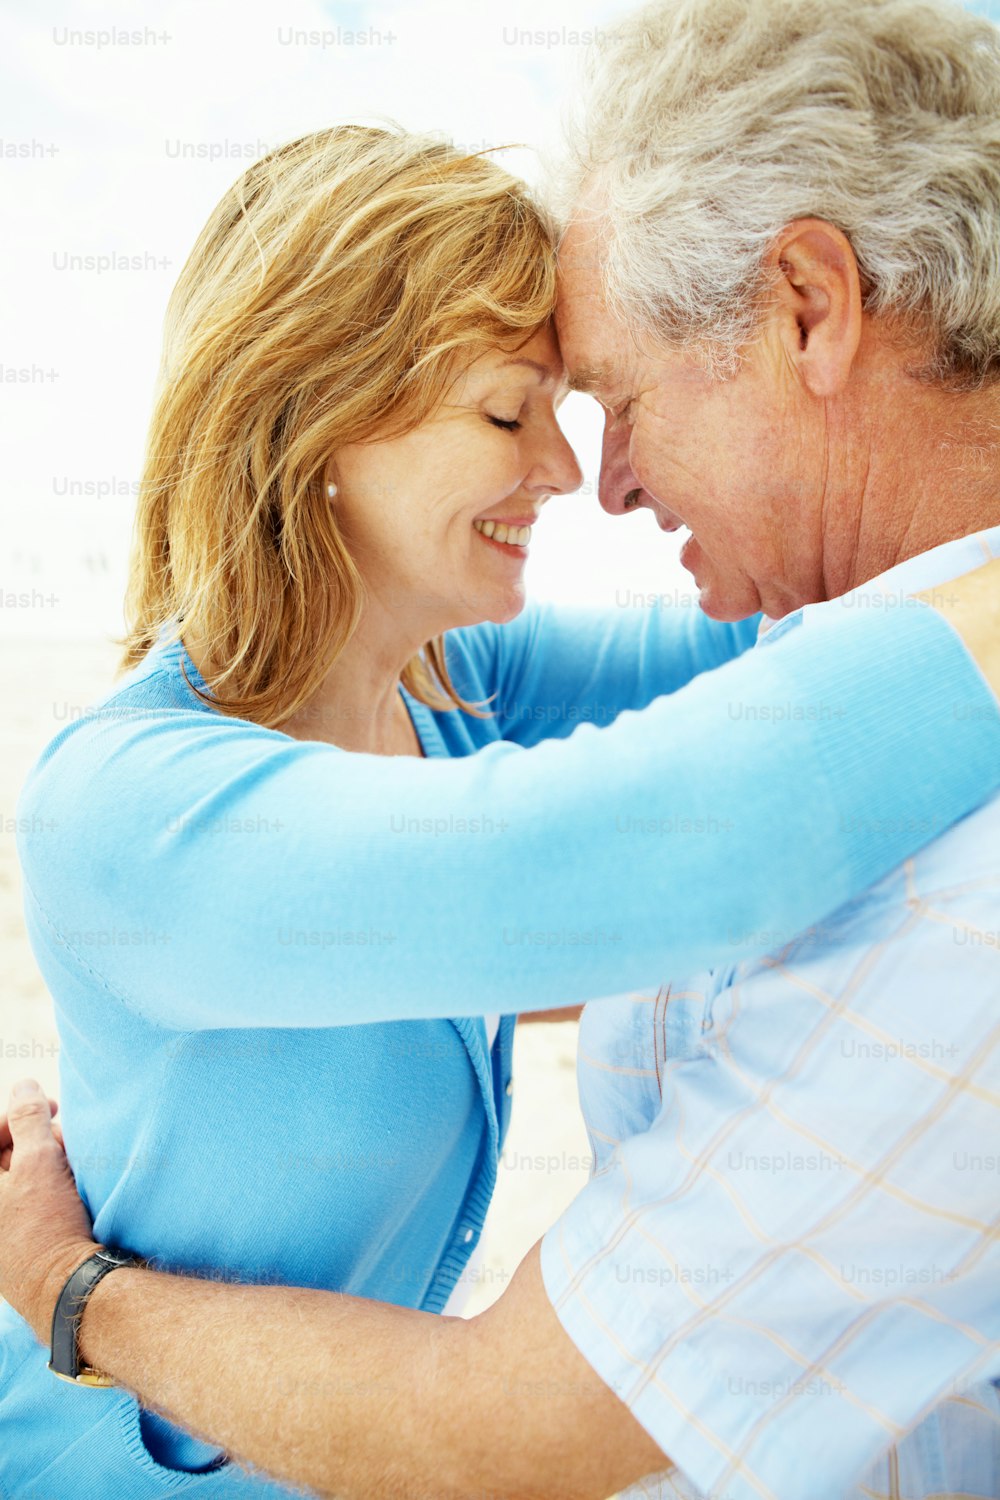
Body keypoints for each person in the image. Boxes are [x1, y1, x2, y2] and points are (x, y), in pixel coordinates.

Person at [4, 4, 1000, 1493]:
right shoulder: (126, 810)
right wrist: (69, 1293)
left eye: (578, 404)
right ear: (322, 421)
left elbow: (797, 638)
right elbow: (669, 839)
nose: (570, 473)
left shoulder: (455, 690)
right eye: (510, 411)